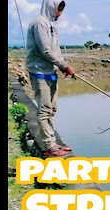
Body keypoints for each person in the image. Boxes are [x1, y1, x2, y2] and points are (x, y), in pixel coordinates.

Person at [26, 0, 75, 157]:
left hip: (50, 72)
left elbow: (56, 51)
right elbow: (45, 50)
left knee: (51, 109)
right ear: (50, 7)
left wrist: (63, 66)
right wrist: (63, 66)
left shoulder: (50, 24)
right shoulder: (40, 23)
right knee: (45, 109)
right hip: (40, 72)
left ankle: (52, 141)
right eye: (57, 10)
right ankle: (49, 146)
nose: (59, 13)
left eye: (61, 11)